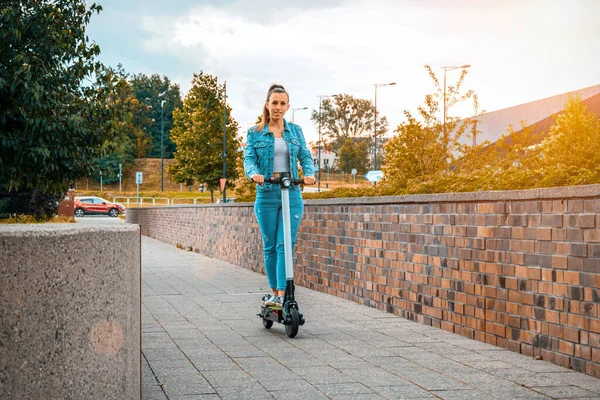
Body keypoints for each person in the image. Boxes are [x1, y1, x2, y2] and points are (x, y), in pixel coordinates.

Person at [243, 84, 316, 308]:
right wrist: (254, 174)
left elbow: (305, 156)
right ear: (267, 104)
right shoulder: (255, 132)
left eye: (282, 103)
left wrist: (309, 174)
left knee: (286, 243)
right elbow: (249, 159)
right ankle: (274, 293)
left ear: (287, 106)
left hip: (291, 191)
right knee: (271, 245)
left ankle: (284, 296)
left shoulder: (295, 131)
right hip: (266, 193)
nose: (278, 107)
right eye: (274, 102)